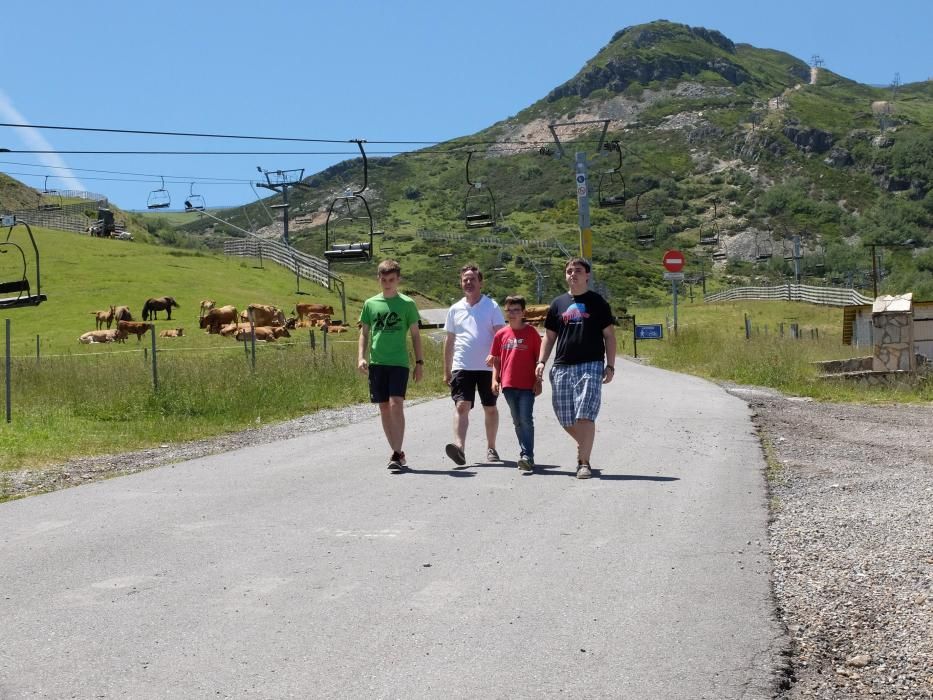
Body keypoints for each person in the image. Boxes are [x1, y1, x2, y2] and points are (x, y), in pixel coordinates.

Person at [535, 257, 617, 479]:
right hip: (562, 366)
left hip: (590, 364)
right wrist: (542, 361)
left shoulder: (598, 302)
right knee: (565, 417)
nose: (573, 274)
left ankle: (584, 462)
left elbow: (609, 336)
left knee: (584, 414)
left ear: (587, 275)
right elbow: (549, 337)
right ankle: (586, 442)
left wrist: (610, 365)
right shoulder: (558, 303)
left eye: (578, 270)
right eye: (569, 271)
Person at [358, 259, 424, 472]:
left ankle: (396, 452)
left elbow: (415, 335)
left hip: (399, 362)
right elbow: (364, 332)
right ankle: (397, 451)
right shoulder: (370, 304)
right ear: (379, 279)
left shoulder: (407, 304)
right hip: (377, 362)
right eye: (384, 279)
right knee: (384, 406)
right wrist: (361, 356)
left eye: (391, 279)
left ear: (398, 280)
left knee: (396, 403)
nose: (387, 283)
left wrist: (419, 362)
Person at [443, 263, 505, 466]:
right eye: (465, 280)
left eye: (472, 279)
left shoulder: (492, 306)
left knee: (490, 408)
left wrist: (499, 365)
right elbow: (449, 341)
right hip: (462, 366)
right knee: (462, 405)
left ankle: (492, 447)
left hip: (488, 367)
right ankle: (459, 447)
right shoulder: (455, 309)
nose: (468, 283)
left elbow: (501, 337)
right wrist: (446, 369)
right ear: (461, 283)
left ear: (480, 282)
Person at [490, 295, 542, 473]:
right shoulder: (501, 334)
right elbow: (496, 360)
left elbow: (539, 359)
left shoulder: (532, 333)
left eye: (516, 310)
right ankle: (526, 454)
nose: (512, 314)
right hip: (508, 385)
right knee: (517, 421)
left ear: (523, 312)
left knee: (526, 419)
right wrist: (494, 380)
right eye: (509, 310)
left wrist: (538, 381)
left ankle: (527, 455)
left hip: (527, 385)